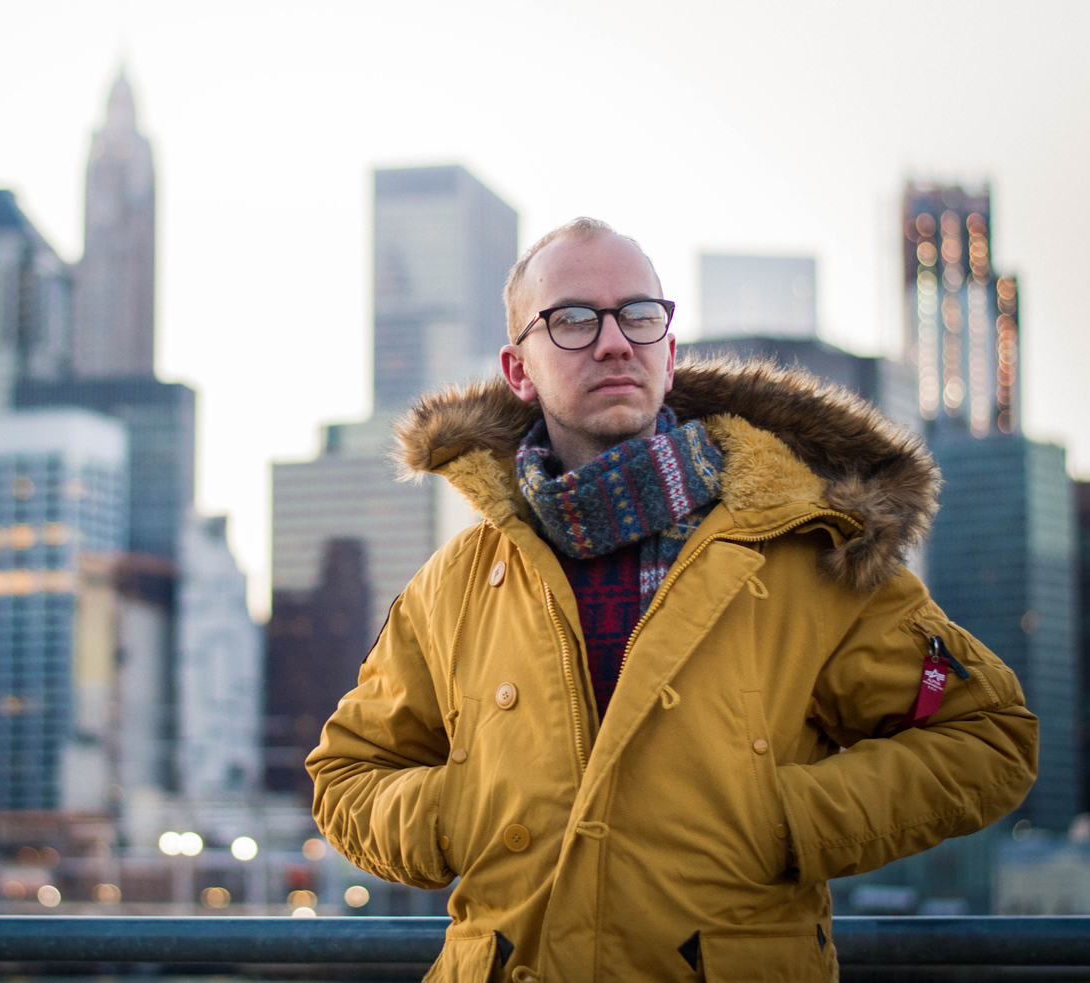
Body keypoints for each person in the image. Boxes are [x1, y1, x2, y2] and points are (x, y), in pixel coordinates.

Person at [306, 218, 1037, 982]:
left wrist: (785, 818)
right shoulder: (454, 584)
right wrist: (458, 812)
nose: (614, 342)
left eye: (638, 315)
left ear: (669, 351)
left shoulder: (810, 557)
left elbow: (985, 732)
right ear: (518, 369)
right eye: (573, 320)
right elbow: (349, 772)